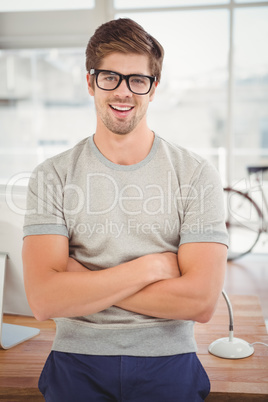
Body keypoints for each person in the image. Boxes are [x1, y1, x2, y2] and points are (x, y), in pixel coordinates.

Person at [22, 18, 228, 402]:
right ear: (90, 82)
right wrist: (147, 269)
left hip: (169, 359)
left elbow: (200, 303)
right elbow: (44, 300)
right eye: (110, 78)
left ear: (153, 89)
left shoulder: (196, 174)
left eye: (137, 80)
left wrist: (84, 279)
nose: (123, 92)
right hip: (76, 359)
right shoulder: (51, 175)